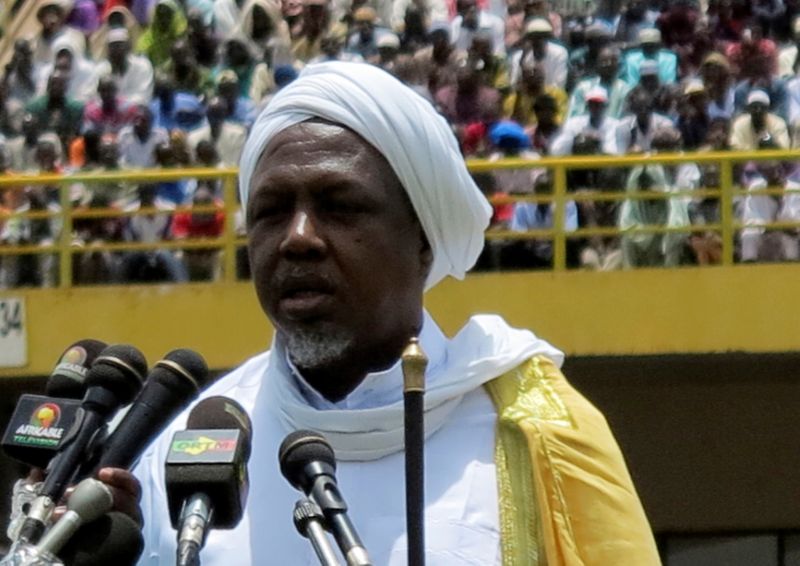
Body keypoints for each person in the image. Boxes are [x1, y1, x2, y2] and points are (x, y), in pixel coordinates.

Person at [130, 62, 659, 565]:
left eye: (340, 206)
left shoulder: (540, 434)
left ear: (423, 241)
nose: (298, 238)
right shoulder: (184, 453)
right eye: (271, 212)